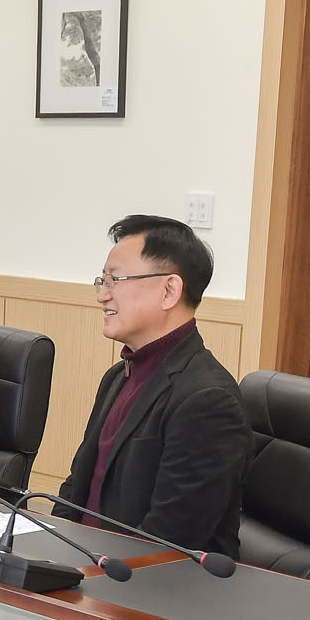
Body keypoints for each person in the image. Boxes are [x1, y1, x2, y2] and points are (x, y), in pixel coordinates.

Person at [56, 215, 250, 557]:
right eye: (102, 280)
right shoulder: (118, 376)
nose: (103, 295)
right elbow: (76, 488)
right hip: (87, 561)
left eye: (115, 280)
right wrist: (50, 549)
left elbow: (168, 542)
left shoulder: (208, 400)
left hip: (146, 579)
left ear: (169, 291)